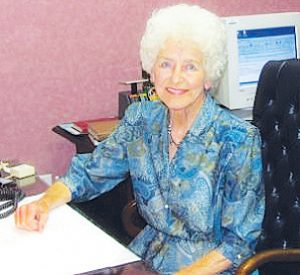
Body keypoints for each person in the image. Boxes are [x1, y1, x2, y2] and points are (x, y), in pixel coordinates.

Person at [15, 3, 264, 275]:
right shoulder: (140, 120)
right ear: (152, 71)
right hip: (148, 257)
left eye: (190, 67)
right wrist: (42, 202)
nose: (176, 77)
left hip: (210, 268)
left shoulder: (238, 140)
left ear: (208, 77)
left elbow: (238, 244)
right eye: (166, 64)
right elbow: (89, 173)